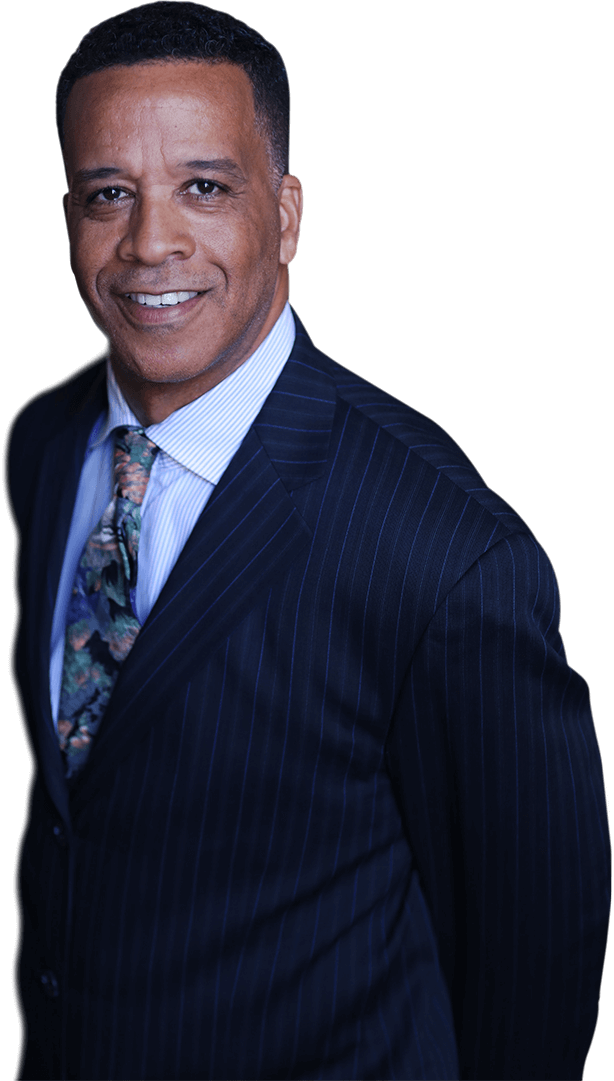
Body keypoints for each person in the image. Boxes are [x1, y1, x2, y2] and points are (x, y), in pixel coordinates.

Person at [5, 3, 610, 1079]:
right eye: (109, 194)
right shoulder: (44, 444)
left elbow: (531, 971)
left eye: (204, 187)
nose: (150, 242)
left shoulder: (445, 550)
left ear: (284, 217)